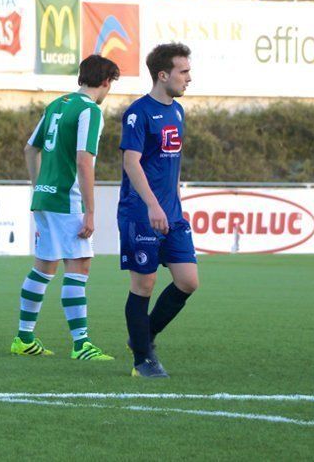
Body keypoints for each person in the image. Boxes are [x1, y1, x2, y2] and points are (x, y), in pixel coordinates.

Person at [10, 54, 119, 361]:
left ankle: (23, 337)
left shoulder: (57, 104)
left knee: (44, 266)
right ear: (106, 81)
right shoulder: (90, 110)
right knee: (79, 264)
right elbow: (85, 161)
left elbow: (30, 147)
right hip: (67, 199)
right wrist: (91, 211)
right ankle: (81, 343)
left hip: (45, 197)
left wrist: (38, 184)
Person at [120, 43, 199, 378]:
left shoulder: (177, 112)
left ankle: (143, 335)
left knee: (188, 281)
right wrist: (153, 204)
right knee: (145, 284)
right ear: (163, 74)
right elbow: (131, 161)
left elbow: (174, 163)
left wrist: (175, 202)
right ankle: (143, 360)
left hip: (171, 213)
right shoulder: (138, 112)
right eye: (183, 71)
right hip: (141, 212)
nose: (189, 78)